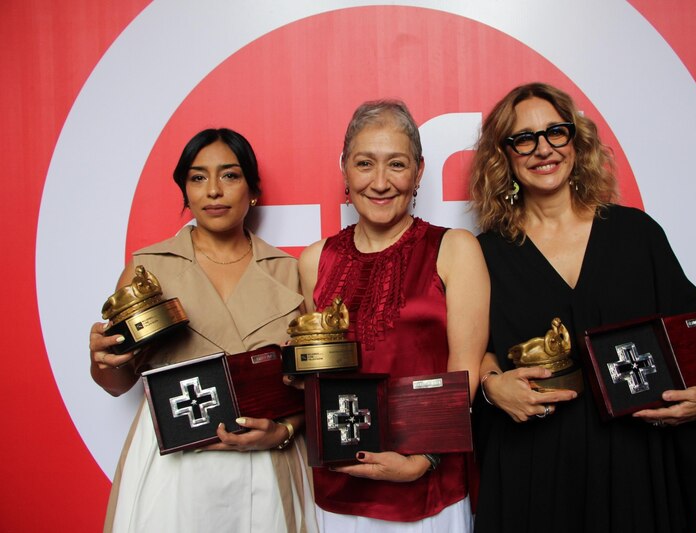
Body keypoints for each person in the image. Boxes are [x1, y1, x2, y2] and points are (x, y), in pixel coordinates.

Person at [469, 83, 696, 533]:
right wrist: (492, 388)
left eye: (556, 132)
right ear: (502, 155)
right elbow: (473, 348)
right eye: (524, 138)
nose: (543, 148)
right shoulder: (483, 253)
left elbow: (694, 336)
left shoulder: (636, 234)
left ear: (576, 141)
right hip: (534, 467)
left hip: (632, 461)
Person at [89, 128, 316, 533]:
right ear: (185, 192)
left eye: (229, 175)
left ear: (253, 190)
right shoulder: (148, 268)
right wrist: (103, 360)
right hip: (172, 468)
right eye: (198, 177)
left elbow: (309, 384)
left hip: (263, 465)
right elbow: (116, 383)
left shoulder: (287, 270)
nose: (213, 190)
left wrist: (283, 432)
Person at [298, 100, 489, 531]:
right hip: (338, 486)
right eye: (365, 163)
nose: (380, 182)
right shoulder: (314, 260)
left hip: (428, 486)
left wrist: (425, 458)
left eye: (397, 165)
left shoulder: (455, 249)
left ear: (419, 172)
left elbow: (465, 372)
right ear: (343, 168)